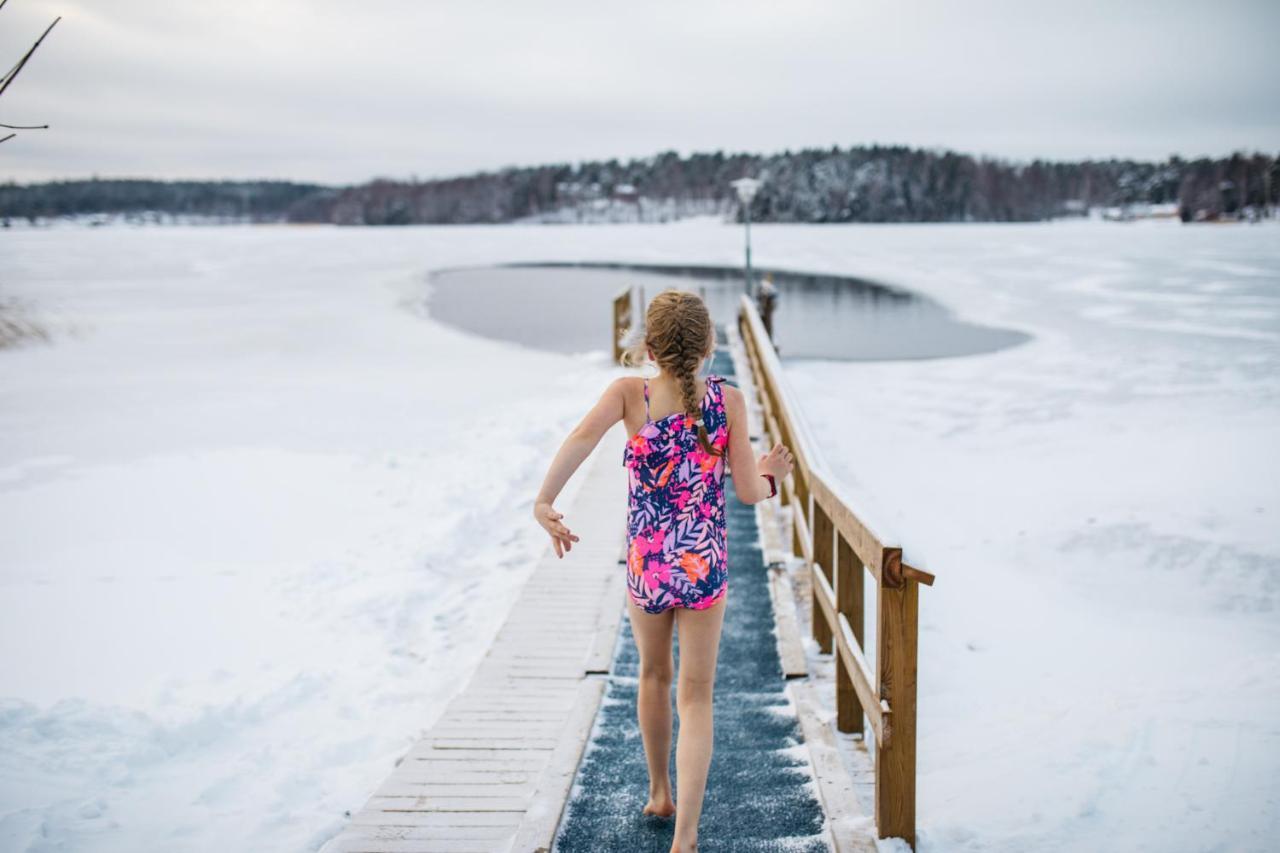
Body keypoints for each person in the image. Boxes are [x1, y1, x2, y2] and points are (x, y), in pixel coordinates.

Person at [533, 289, 794, 853]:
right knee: (697, 694)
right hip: (703, 567)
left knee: (654, 675)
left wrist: (544, 500)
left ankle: (658, 792)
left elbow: (580, 439)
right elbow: (748, 493)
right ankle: (686, 837)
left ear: (648, 346)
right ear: (710, 345)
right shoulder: (731, 400)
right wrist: (771, 474)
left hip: (648, 566)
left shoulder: (632, 394)